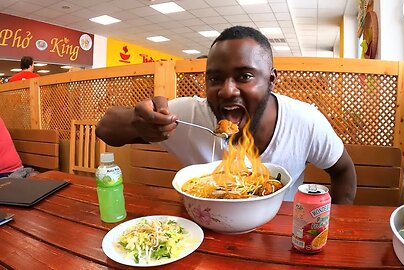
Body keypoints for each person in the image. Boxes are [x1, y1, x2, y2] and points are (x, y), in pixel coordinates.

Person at [96, 26, 357, 204]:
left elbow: (344, 170)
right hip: (201, 232)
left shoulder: (305, 122)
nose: (227, 90)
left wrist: (332, 226)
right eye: (215, 78)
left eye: (245, 76)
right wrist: (140, 123)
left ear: (271, 80)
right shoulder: (187, 115)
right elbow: (105, 128)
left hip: (278, 235)